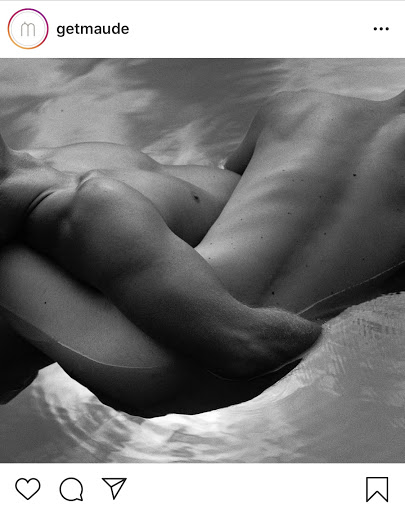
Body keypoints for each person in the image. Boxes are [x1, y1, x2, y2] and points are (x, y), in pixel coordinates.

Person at [1, 89, 405, 417]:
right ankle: (70, 207)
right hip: (182, 368)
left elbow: (235, 183)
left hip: (164, 321)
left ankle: (58, 199)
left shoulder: (300, 106)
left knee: (135, 177)